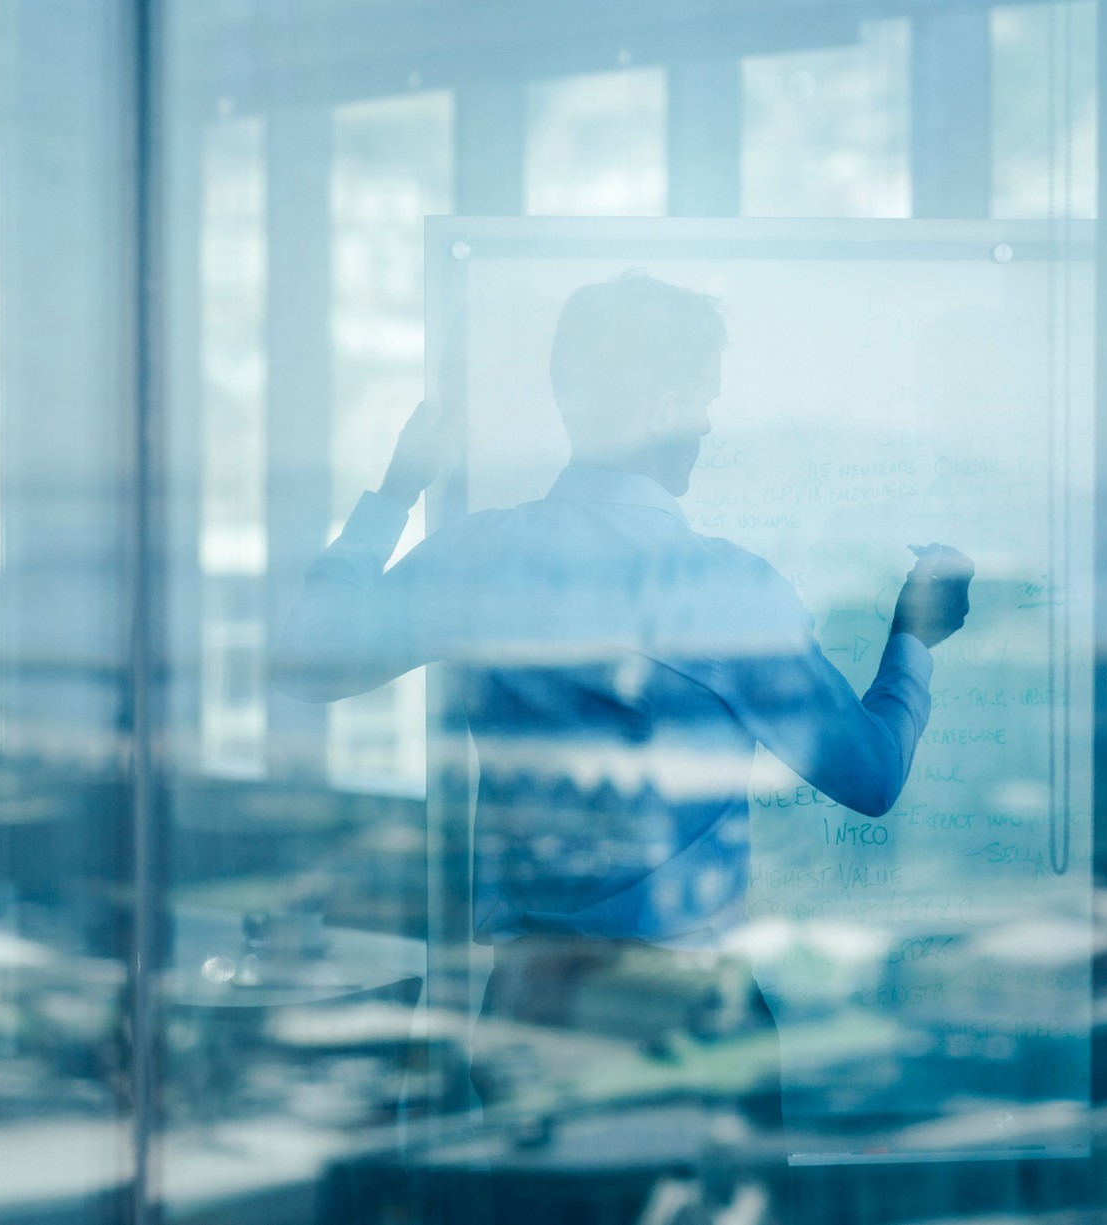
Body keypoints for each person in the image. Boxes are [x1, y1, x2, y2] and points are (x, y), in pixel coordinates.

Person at [273, 271, 974, 1215]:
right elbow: (872, 775)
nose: (711, 427)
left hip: (530, 1013)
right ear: (665, 403)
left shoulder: (484, 557)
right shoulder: (726, 589)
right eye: (704, 400)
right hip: (694, 1020)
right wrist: (914, 639)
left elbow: (310, 658)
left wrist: (398, 487)